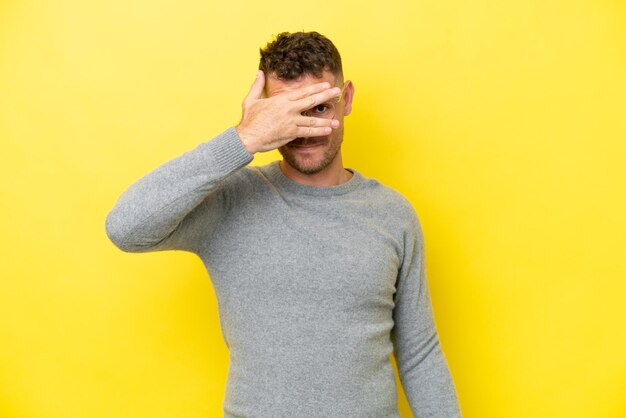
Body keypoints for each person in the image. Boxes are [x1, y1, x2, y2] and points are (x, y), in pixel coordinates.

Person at [105, 31, 461, 418]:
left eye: (320, 108)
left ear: (347, 99)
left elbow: (420, 354)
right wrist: (242, 139)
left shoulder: (393, 214)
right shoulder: (230, 202)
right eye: (288, 113)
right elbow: (126, 227)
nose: (304, 129)